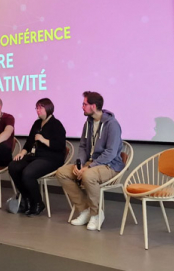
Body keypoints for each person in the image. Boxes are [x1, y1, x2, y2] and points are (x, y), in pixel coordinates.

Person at [56, 91, 124, 231]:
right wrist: (79, 164)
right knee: (62, 172)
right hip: (91, 164)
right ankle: (85, 210)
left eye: (84, 104)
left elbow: (110, 153)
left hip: (109, 165)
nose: (82, 107)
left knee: (88, 175)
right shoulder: (88, 123)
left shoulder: (112, 125)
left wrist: (89, 167)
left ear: (93, 106)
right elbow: (82, 147)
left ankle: (96, 213)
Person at [8, 98, 66, 216]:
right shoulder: (37, 123)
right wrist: (22, 153)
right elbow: (29, 142)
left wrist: (43, 140)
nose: (38, 110)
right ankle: (26, 199)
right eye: (37, 108)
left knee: (28, 173)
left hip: (51, 158)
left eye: (40, 108)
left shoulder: (56, 124)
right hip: (35, 156)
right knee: (13, 166)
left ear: (48, 108)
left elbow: (60, 146)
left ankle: (38, 203)